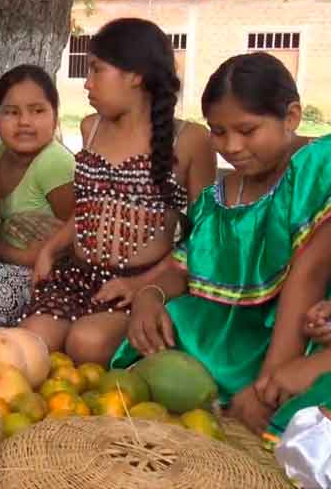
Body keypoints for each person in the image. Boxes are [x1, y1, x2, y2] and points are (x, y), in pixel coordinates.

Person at [107, 53, 331, 458]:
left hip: (296, 335)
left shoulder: (318, 167)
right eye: (218, 132)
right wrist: (149, 296)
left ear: (292, 116)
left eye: (247, 130)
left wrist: (269, 384)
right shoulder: (217, 199)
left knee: (297, 423)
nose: (232, 147)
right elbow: (185, 266)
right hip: (233, 336)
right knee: (156, 341)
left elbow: (309, 273)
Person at [19, 18, 216, 365]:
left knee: (86, 344)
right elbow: (89, 207)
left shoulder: (189, 140)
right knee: (32, 343)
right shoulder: (90, 127)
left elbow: (205, 235)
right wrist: (50, 249)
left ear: (135, 74)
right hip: (78, 275)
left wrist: (142, 284)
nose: (87, 84)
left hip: (138, 287)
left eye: (96, 70)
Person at [0, 65, 75, 326]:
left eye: (38, 111)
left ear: (55, 116)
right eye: (11, 112)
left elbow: (77, 235)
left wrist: (10, 252)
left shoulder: (54, 163)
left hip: (43, 274)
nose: (24, 122)